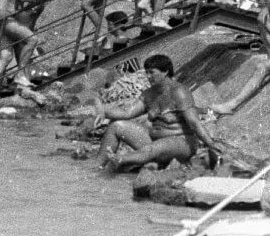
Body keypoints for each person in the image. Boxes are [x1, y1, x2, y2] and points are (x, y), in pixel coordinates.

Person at [93, 54, 222, 171]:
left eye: (152, 73)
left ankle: (121, 159)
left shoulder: (179, 92)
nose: (148, 77)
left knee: (154, 148)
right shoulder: (149, 94)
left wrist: (210, 143)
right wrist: (102, 112)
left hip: (181, 142)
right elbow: (127, 113)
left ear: (165, 71)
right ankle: (96, 168)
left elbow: (194, 123)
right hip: (153, 142)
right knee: (116, 126)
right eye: (147, 73)